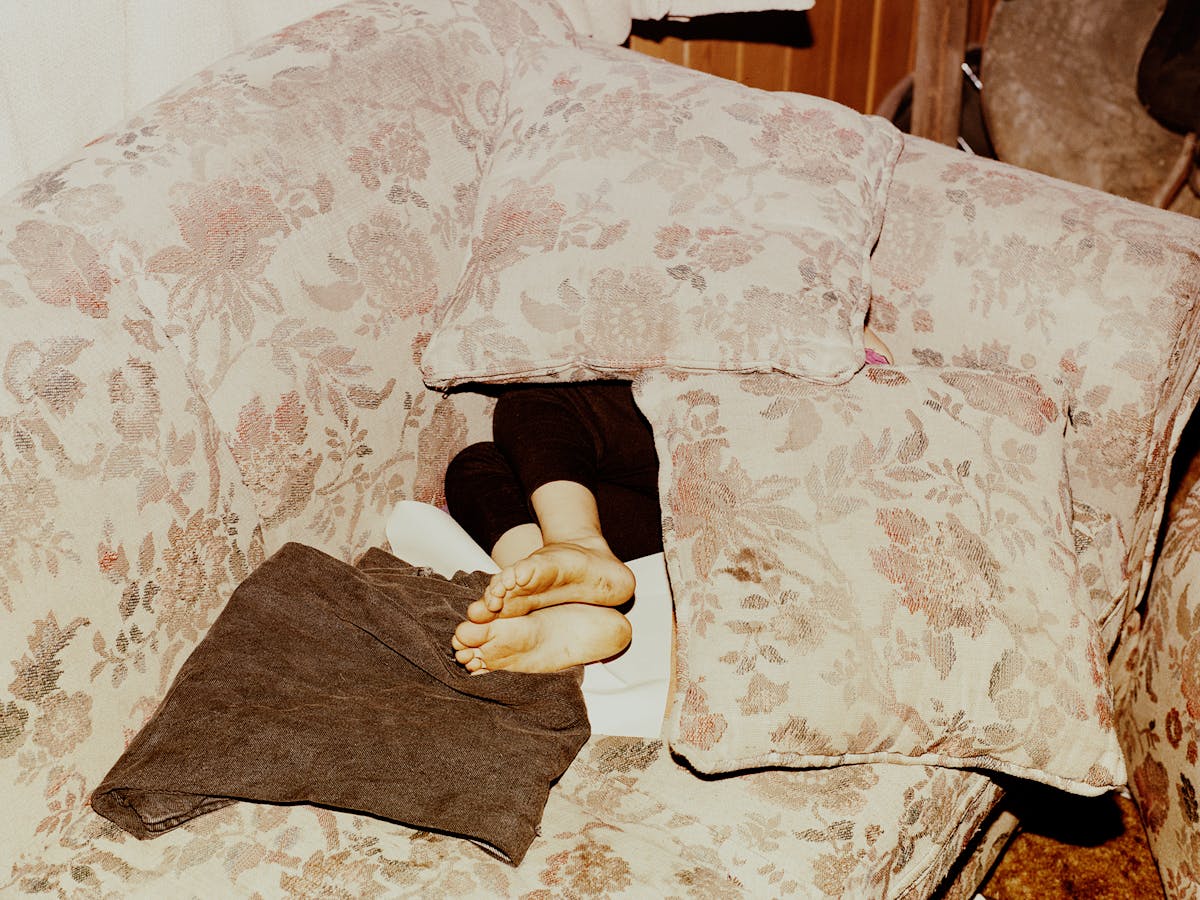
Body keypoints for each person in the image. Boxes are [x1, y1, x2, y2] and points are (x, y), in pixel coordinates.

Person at [446, 328, 894, 674]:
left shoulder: (808, 278)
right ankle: (570, 608)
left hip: (755, 469)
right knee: (479, 467)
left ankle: (575, 545)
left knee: (539, 397)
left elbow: (876, 377)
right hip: (660, 521)